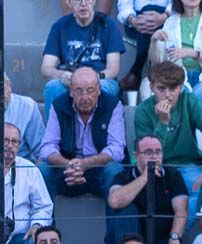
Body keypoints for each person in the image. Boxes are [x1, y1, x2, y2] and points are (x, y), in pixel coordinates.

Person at [134, 62, 202, 220]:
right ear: (151, 87)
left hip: (187, 165)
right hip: (155, 169)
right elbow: (149, 152)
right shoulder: (143, 111)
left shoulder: (189, 101)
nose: (167, 95)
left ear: (181, 87)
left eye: (173, 88)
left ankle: (175, 235)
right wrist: (163, 123)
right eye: (161, 89)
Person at [38, 67, 126, 204]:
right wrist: (68, 164)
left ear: (98, 90)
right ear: (71, 92)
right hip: (68, 170)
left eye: (90, 90)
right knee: (43, 170)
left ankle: (117, 225)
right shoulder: (59, 105)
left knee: (114, 170)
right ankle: (44, 224)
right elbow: (47, 147)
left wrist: (86, 164)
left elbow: (117, 148)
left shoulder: (113, 105)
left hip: (99, 169)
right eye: (79, 91)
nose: (85, 97)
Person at [106, 134, 189, 244]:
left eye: (158, 152)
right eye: (148, 152)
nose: (154, 157)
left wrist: (174, 237)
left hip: (161, 238)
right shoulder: (123, 176)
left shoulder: (173, 176)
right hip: (128, 241)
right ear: (136, 156)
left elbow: (181, 211)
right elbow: (115, 201)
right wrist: (145, 177)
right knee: (126, 209)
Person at [41, 0, 125, 109]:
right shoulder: (59, 27)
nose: (83, 3)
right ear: (69, 2)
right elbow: (46, 68)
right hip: (70, 80)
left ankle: (99, 126)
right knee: (52, 87)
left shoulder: (108, 25)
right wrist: (61, 75)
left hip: (100, 79)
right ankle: (54, 126)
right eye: (78, 0)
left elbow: (113, 69)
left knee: (104, 88)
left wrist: (91, 79)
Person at [149, 0, 202, 107]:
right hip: (176, 79)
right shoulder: (171, 22)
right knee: (179, 98)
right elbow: (157, 63)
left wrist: (192, 53)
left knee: (197, 99)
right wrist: (153, 41)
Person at [3, 124, 54, 244]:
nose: (10, 145)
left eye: (14, 142)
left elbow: (43, 206)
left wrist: (36, 225)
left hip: (16, 240)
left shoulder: (29, 169)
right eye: (5, 140)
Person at [116, 0, 170, 92]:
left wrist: (164, 16)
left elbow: (176, 3)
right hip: (136, 22)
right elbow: (124, 5)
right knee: (147, 10)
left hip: (167, 18)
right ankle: (153, 77)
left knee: (150, 10)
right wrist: (132, 20)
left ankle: (136, 72)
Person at [4, 74, 46, 162]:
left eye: (3, 88)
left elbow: (40, 148)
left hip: (20, 165)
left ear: (10, 87)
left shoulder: (27, 106)